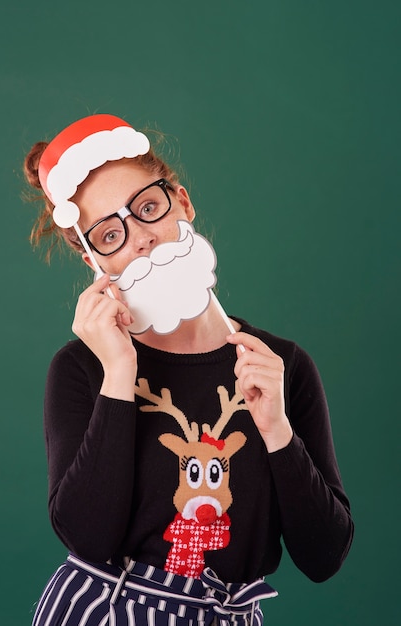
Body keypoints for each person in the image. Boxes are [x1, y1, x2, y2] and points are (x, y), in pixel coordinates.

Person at [24, 114, 354, 626]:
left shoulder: (280, 366)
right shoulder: (82, 370)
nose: (141, 239)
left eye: (148, 208)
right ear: (94, 261)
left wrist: (276, 431)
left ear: (182, 202)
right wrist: (118, 374)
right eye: (110, 234)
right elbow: (88, 539)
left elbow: (324, 556)